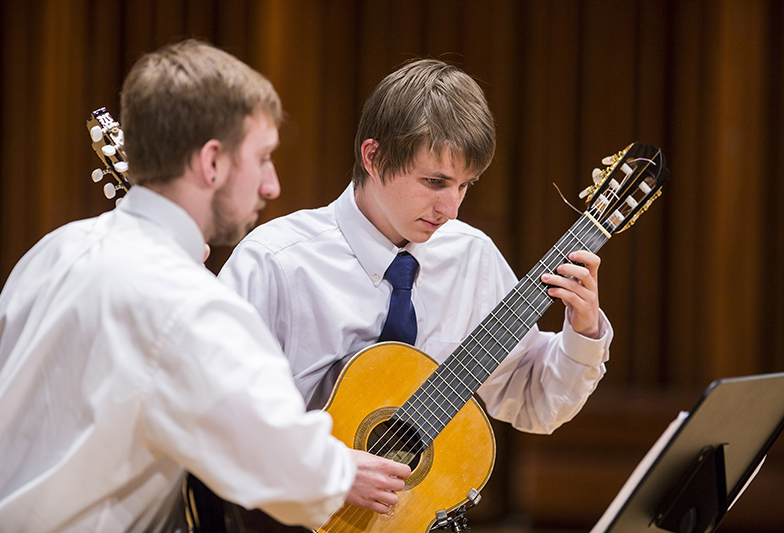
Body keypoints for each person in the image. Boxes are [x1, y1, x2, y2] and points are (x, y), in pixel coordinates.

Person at [0, 39, 410, 533]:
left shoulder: (51, 252)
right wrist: (340, 471)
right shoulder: (189, 305)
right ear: (212, 163)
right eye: (263, 158)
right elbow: (288, 471)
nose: (271, 186)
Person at [219, 58, 613, 477]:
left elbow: (534, 400)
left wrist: (584, 330)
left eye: (465, 185)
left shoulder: (470, 257)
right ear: (374, 157)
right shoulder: (276, 262)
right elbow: (210, 412)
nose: (451, 208)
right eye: (435, 182)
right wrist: (323, 467)